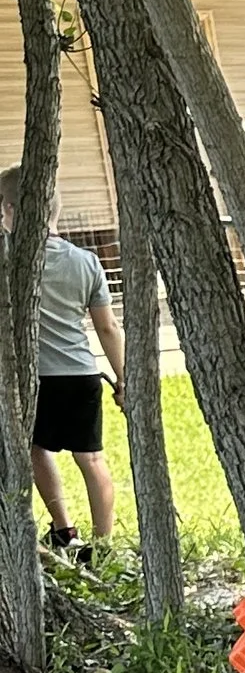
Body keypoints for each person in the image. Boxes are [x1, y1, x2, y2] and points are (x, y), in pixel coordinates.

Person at [2, 167, 123, 552]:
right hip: (82, 375)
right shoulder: (86, 261)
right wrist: (124, 379)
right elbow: (108, 328)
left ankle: (64, 527)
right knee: (90, 457)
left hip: (34, 378)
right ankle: (103, 545)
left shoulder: (7, 259)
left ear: (8, 209)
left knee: (37, 450)